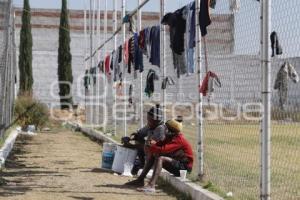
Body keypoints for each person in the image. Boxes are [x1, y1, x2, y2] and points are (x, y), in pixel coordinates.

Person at [128, 119, 194, 192]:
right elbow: (159, 145)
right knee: (155, 155)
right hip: (177, 163)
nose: (164, 129)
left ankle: (151, 185)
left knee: (161, 158)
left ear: (170, 130)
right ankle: (140, 180)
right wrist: (150, 142)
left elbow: (162, 150)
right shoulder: (171, 136)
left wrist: (152, 146)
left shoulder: (179, 139)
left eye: (166, 128)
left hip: (183, 167)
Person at [121, 104, 166, 176]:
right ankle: (142, 165)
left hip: (160, 155)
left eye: (150, 120)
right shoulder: (151, 125)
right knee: (140, 139)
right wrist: (130, 138)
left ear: (156, 120)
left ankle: (148, 167)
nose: (148, 121)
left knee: (146, 146)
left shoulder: (161, 128)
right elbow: (140, 134)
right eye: (148, 119)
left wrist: (130, 145)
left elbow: (149, 146)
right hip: (151, 150)